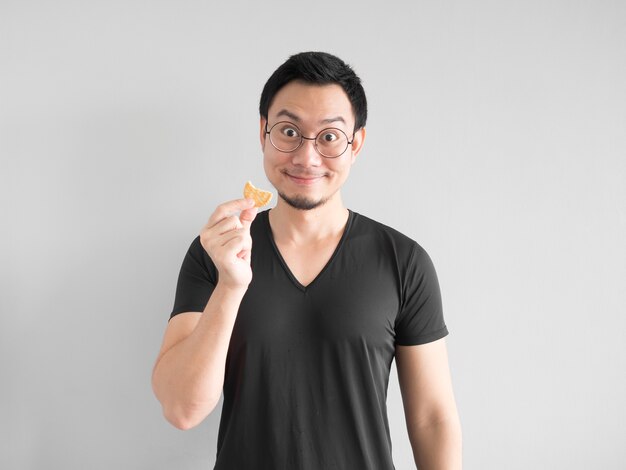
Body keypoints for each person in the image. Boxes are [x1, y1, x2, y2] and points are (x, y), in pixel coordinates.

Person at [152, 51, 462, 470]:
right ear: (263, 132)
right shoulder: (213, 253)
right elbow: (181, 409)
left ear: (357, 144)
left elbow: (431, 419)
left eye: (329, 137)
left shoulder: (403, 261)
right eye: (289, 131)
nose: (306, 157)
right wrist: (230, 286)